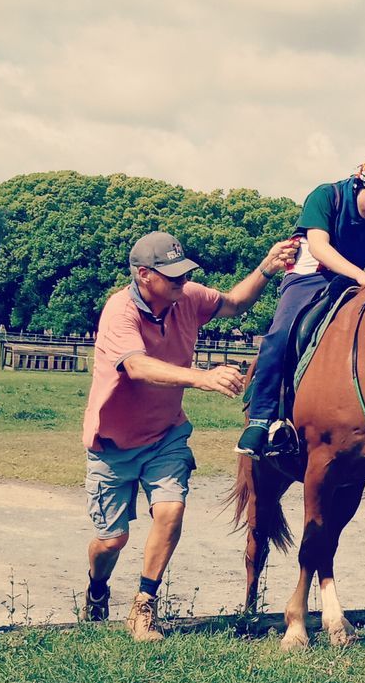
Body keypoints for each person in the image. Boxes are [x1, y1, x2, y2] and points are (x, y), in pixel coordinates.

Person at [83, 231, 298, 640]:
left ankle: (143, 607)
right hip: (113, 444)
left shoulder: (187, 298)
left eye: (185, 275)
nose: (183, 283)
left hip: (166, 435)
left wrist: (266, 270)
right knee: (111, 542)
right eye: (173, 276)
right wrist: (202, 378)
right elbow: (138, 367)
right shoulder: (119, 312)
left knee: (170, 512)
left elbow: (234, 304)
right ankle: (97, 587)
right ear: (144, 275)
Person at [236, 153, 365, 458]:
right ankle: (261, 419)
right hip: (309, 277)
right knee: (281, 334)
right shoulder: (325, 196)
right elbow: (318, 246)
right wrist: (362, 277)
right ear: (360, 182)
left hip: (352, 283)